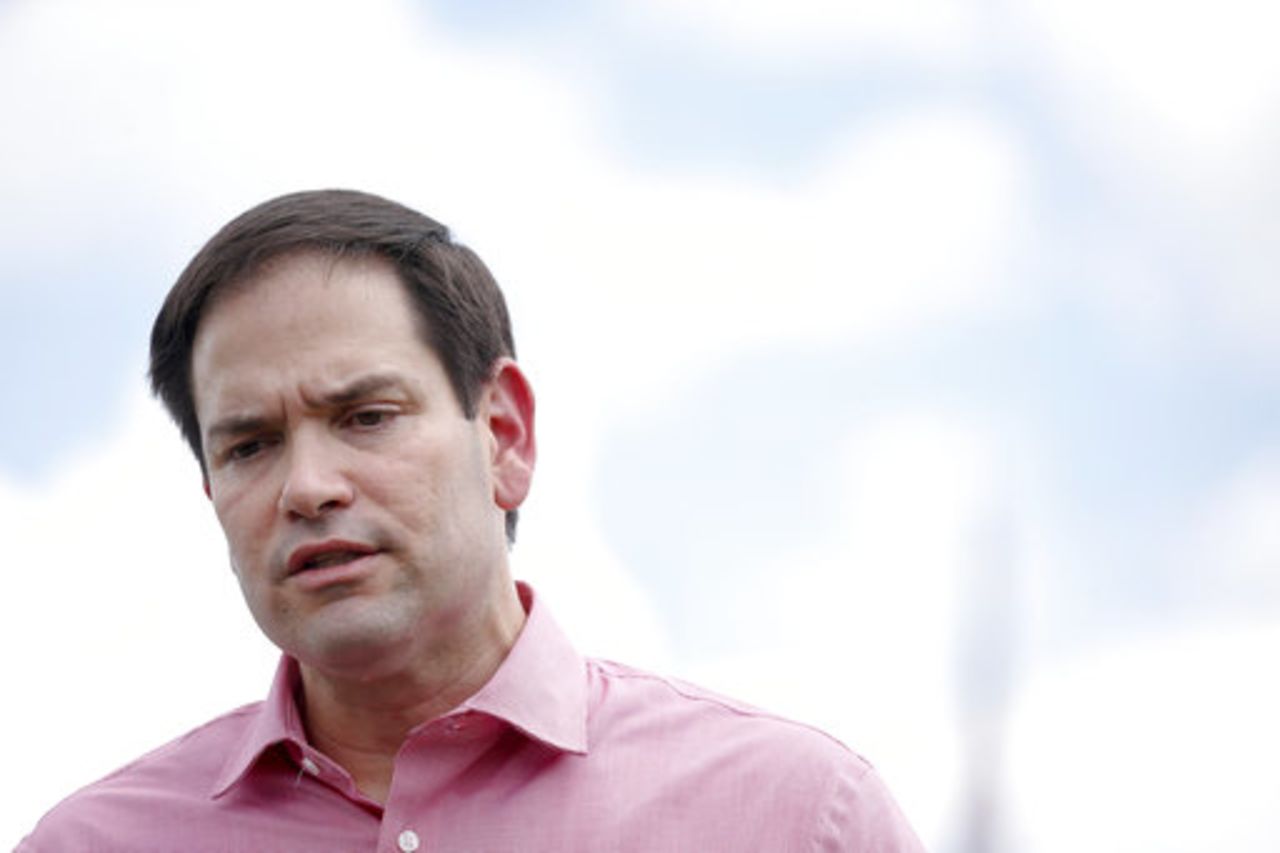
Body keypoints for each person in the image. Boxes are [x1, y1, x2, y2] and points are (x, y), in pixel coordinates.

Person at [19, 190, 924, 852]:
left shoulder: (797, 818)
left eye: (366, 416)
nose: (307, 485)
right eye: (250, 444)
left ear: (503, 435)